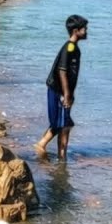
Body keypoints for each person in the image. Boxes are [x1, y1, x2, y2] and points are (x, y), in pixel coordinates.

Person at [34, 14, 88, 161]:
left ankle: (59, 155)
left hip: (64, 91)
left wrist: (70, 93)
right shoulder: (69, 48)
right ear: (76, 31)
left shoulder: (74, 48)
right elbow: (62, 71)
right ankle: (46, 148)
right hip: (59, 91)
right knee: (64, 124)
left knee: (63, 123)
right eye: (84, 29)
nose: (87, 31)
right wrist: (66, 94)